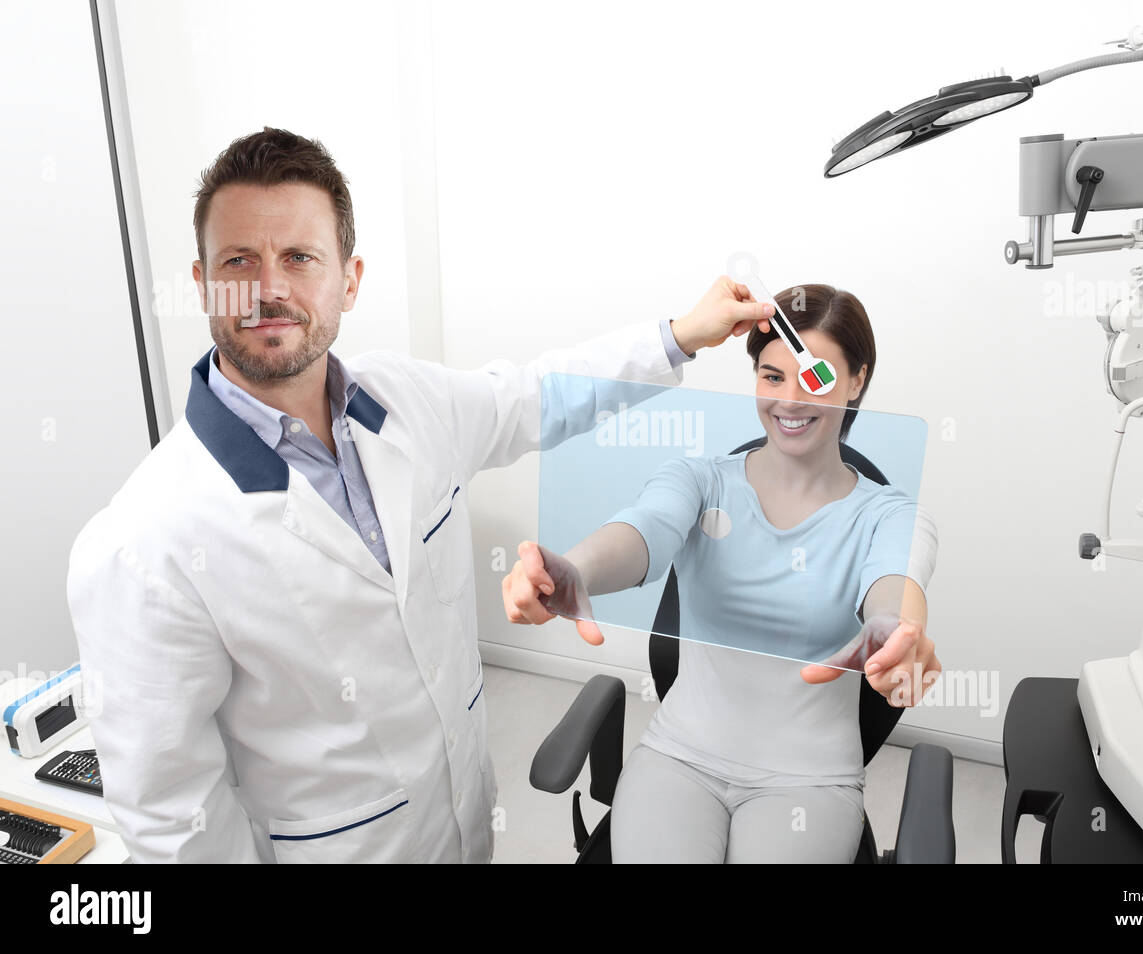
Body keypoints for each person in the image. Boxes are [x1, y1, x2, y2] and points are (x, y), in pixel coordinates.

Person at [64, 126, 774, 863]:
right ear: (205, 281)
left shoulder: (403, 400)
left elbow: (536, 397)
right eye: (239, 260)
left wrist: (681, 336)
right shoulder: (141, 544)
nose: (268, 289)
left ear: (349, 277)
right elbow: (176, 822)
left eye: (299, 258)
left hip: (463, 828)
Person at [502, 283, 940, 863]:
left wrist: (895, 633)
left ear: (857, 380)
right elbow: (643, 531)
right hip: (680, 755)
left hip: (808, 779)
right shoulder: (700, 480)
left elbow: (896, 588)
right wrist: (574, 570)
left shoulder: (891, 515)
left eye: (814, 377)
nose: (788, 400)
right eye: (771, 375)